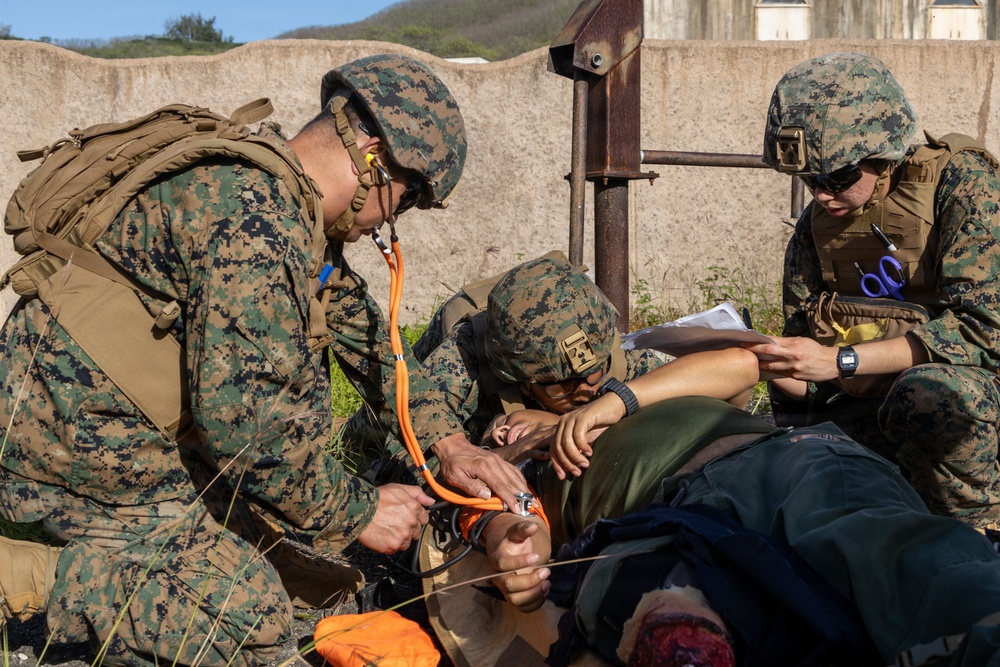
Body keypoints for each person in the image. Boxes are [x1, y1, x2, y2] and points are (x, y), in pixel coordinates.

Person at [0, 53, 522, 666]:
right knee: (248, 620)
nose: (392, 223)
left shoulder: (284, 204)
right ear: (377, 160)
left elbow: (373, 348)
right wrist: (360, 511)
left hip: (112, 420)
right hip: (74, 443)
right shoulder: (255, 221)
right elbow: (249, 437)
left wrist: (448, 443)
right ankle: (22, 577)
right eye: (408, 202)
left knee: (299, 576)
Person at [475, 391, 1000, 667]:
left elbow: (740, 365)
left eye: (520, 414)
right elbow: (509, 529)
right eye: (502, 426)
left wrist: (614, 403)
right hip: (674, 521)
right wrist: (512, 538)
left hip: (775, 461)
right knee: (634, 595)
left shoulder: (628, 396)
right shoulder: (513, 467)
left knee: (883, 547)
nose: (512, 425)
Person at [745, 51, 1000, 530]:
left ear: (884, 157)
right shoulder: (822, 223)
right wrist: (765, 361)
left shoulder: (963, 187)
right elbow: (807, 366)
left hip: (968, 406)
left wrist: (842, 360)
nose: (821, 194)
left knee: (928, 396)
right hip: (869, 405)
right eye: (809, 179)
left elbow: (985, 334)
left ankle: (979, 536)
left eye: (837, 177)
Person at [364, 255, 756, 486]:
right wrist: (506, 453)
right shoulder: (461, 362)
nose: (588, 387)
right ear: (523, 381)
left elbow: (723, 376)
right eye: (563, 386)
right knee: (370, 426)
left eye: (595, 372)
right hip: (466, 365)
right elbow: (402, 465)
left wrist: (597, 408)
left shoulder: (609, 358)